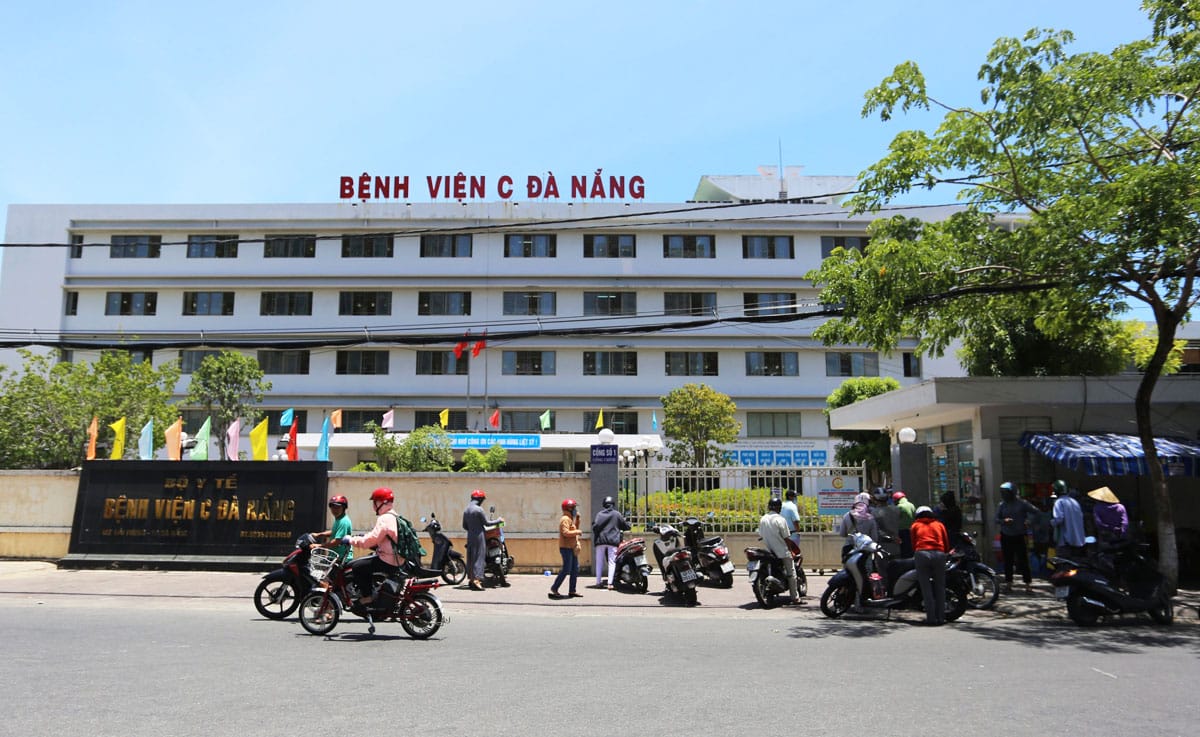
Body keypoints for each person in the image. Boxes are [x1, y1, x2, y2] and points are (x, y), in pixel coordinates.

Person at [341, 487, 404, 610]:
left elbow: (370, 540)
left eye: (375, 502)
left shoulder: (384, 519)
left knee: (358, 567)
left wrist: (351, 540)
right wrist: (364, 537)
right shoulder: (395, 516)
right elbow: (379, 537)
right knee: (368, 561)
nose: (373, 506)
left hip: (388, 560)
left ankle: (367, 597)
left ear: (382, 502)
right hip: (396, 558)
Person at [910, 505, 951, 625]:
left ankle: (931, 618)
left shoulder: (915, 525)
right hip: (939, 554)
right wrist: (944, 553)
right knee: (940, 587)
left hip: (922, 554)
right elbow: (946, 542)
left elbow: (913, 543)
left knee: (926, 588)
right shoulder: (939, 525)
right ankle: (941, 618)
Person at [757, 496, 801, 605]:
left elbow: (761, 535)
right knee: (792, 574)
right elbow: (786, 538)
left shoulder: (763, 519)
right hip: (782, 552)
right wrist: (791, 551)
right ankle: (795, 597)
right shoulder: (780, 519)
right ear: (779, 508)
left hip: (768, 551)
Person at [995, 481, 1037, 593]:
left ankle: (1028, 584)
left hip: (1019, 535)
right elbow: (996, 519)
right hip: (1006, 536)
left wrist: (1029, 521)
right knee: (1008, 561)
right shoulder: (1002, 505)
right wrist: (1004, 521)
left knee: (1023, 560)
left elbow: (1035, 512)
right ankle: (1008, 584)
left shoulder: (1022, 503)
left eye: (1006, 492)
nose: (1004, 495)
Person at [462, 488, 500, 591]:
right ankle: (477, 579)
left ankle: (471, 579)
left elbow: (464, 526)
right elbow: (487, 523)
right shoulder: (479, 510)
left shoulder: (466, 510)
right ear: (480, 499)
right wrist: (498, 520)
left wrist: (472, 529)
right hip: (479, 536)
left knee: (471, 557)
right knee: (479, 557)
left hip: (470, 536)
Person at [592, 496, 630, 589]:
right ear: (613, 504)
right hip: (612, 541)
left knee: (599, 562)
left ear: (604, 504)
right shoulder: (617, 514)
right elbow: (625, 526)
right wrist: (628, 525)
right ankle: (610, 583)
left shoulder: (599, 514)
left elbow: (595, 526)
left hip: (600, 541)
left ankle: (598, 582)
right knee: (612, 562)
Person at [549, 498, 583, 600]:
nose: (575, 510)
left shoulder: (570, 519)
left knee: (575, 569)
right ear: (569, 508)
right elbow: (566, 533)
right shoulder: (565, 519)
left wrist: (577, 520)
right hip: (566, 548)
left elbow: (574, 529)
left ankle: (572, 590)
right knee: (566, 569)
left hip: (572, 548)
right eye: (574, 508)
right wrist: (577, 532)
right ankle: (554, 588)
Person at [1050, 480, 1087, 559]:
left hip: (1065, 541)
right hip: (1078, 540)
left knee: (1064, 562)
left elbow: (1059, 519)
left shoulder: (1058, 502)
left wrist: (1050, 523)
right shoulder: (1075, 502)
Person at [312, 495, 353, 562]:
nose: (334, 510)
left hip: (341, 558)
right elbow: (334, 532)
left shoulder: (343, 521)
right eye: (332, 507)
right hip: (335, 556)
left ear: (343, 508)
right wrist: (319, 534)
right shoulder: (339, 519)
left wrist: (319, 546)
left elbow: (337, 541)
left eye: (337, 507)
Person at [893, 491, 916, 556]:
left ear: (896, 500)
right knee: (911, 545)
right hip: (912, 529)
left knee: (904, 547)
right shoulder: (911, 505)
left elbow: (895, 518)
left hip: (902, 530)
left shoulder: (899, 507)